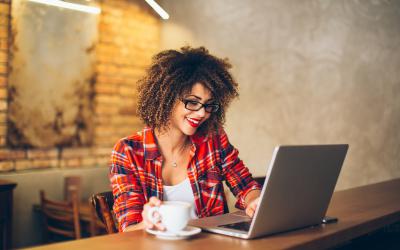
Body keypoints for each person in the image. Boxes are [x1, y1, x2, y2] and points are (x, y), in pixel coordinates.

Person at [109, 46, 261, 232]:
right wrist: (148, 223)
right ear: (167, 97)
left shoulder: (213, 139)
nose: (201, 113)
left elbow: (246, 185)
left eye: (208, 105)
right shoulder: (128, 151)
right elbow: (129, 229)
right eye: (192, 102)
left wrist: (255, 200)